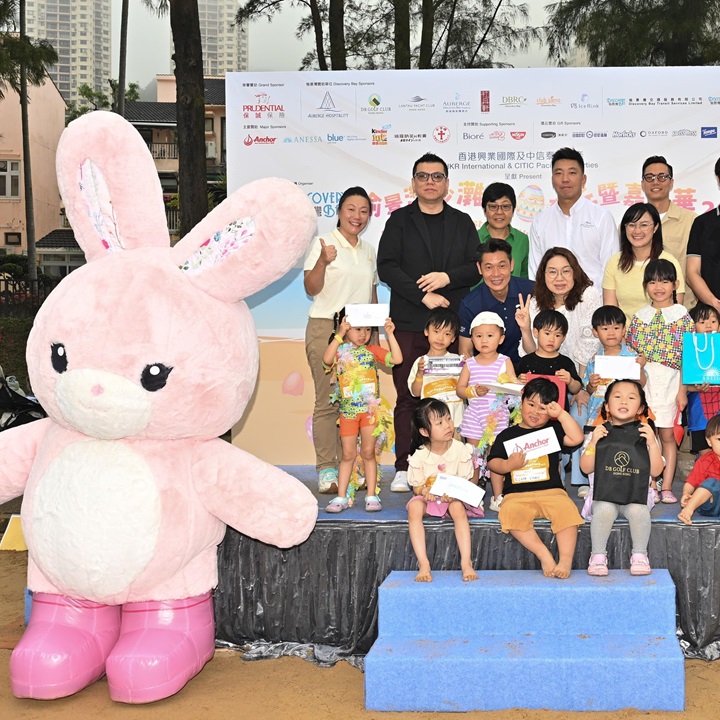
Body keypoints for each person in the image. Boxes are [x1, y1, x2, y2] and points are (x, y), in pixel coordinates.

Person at [377, 153, 481, 492]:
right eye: (423, 176)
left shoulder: (462, 221)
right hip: (410, 321)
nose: (430, 182)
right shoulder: (399, 220)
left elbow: (475, 267)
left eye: (437, 176)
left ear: (447, 183)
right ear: (414, 183)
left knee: (451, 396)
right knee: (409, 396)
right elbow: (386, 267)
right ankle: (404, 465)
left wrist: (446, 278)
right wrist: (423, 295)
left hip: (451, 326)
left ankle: (454, 465)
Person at [303, 187, 377, 493]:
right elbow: (310, 287)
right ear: (339, 212)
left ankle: (353, 466)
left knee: (357, 403)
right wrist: (322, 261)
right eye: (351, 209)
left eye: (364, 211)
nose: (357, 216)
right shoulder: (324, 244)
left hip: (360, 337)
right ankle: (327, 469)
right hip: (327, 329)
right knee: (328, 402)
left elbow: (372, 293)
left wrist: (374, 335)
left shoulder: (369, 249)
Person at [487, 378, 585, 579]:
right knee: (509, 513)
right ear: (521, 402)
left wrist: (562, 415)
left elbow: (577, 438)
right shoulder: (507, 435)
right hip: (517, 495)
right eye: (531, 404)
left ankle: (565, 561)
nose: (535, 412)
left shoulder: (553, 430)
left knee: (567, 511)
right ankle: (544, 555)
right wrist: (508, 465)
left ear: (551, 411)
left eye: (543, 408)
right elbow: (493, 462)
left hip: (552, 492)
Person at [626, 259, 694, 504]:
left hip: (670, 382)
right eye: (653, 282)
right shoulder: (639, 317)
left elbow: (687, 358)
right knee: (646, 434)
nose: (659, 287)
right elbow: (630, 354)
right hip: (645, 382)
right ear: (645, 285)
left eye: (665, 281)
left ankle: (666, 485)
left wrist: (682, 391)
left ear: (675, 284)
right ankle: (650, 483)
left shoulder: (683, 316)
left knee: (667, 435)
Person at [580, 380, 664, 577]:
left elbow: (656, 471)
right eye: (617, 396)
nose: (624, 401)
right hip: (603, 494)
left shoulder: (645, 434)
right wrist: (593, 443)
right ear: (607, 406)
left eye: (631, 397)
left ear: (641, 408)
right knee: (604, 509)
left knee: (638, 510)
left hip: (635, 495)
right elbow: (585, 467)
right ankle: (598, 556)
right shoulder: (598, 433)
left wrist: (652, 443)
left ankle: (640, 555)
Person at [322, 314, 403, 513]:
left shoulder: (372, 351)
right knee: (347, 454)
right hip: (348, 414)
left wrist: (390, 334)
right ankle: (341, 497)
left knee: (368, 453)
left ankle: (372, 495)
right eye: (358, 329)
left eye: (367, 329)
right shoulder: (340, 352)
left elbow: (397, 359)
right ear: (347, 328)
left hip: (369, 414)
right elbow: (326, 359)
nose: (363, 334)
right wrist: (339, 334)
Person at [406, 398, 481, 582]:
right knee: (414, 508)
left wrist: (454, 495)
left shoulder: (460, 450)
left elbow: (466, 482)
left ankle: (466, 563)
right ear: (424, 431)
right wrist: (424, 491)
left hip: (453, 498)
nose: (447, 425)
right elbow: (416, 486)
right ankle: (424, 563)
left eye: (448, 419)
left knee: (457, 508)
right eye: (439, 423)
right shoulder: (420, 455)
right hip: (430, 498)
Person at [576, 305, 647, 495]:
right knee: (595, 445)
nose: (611, 333)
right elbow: (588, 389)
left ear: (624, 330)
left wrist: (640, 368)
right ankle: (592, 483)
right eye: (605, 328)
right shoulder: (594, 359)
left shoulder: (632, 356)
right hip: (598, 413)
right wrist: (591, 384)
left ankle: (626, 482)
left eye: (616, 327)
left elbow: (642, 383)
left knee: (623, 446)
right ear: (595, 332)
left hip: (625, 414)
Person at [528, 147, 617, 289]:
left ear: (583, 179)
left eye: (572, 173)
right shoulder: (540, 222)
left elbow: (611, 270)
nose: (565, 179)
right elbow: (535, 273)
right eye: (559, 173)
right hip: (551, 301)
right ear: (552, 179)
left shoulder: (601, 217)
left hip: (594, 299)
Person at [456, 311, 517, 511]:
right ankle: (472, 496)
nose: (484, 340)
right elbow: (460, 389)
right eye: (478, 336)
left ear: (501, 339)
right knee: (474, 456)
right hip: (474, 415)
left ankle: (498, 497)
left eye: (490, 335)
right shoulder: (470, 363)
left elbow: (514, 387)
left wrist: (517, 383)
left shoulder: (504, 361)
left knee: (495, 456)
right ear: (472, 338)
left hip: (497, 417)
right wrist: (473, 391)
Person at [603, 202, 686, 320]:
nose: (637, 231)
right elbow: (611, 312)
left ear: (655, 227)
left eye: (644, 225)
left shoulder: (669, 262)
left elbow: (675, 311)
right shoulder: (614, 262)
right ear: (624, 228)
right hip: (623, 331)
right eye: (632, 225)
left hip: (662, 330)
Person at [458, 239, 534, 366]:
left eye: (502, 266)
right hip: (488, 372)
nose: (496, 274)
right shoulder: (470, 304)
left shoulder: (531, 291)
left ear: (512, 265)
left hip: (527, 370)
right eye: (489, 267)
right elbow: (466, 351)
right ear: (479, 268)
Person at [641, 155, 697, 306]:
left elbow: (699, 269)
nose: (655, 182)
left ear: (671, 183)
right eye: (649, 177)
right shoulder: (631, 225)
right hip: (640, 312)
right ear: (642, 184)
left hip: (684, 309)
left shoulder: (691, 221)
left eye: (662, 177)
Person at [408, 308, 464, 429]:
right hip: (432, 422)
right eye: (436, 331)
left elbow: (466, 388)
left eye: (447, 334)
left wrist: (466, 369)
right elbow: (415, 393)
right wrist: (419, 374)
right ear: (426, 331)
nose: (440, 338)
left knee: (456, 441)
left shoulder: (457, 361)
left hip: (456, 420)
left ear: (453, 338)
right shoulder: (420, 362)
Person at [516, 310, 583, 410]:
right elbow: (515, 384)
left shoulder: (565, 362)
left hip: (557, 414)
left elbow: (576, 389)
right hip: (530, 413)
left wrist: (570, 381)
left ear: (563, 338)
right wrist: (519, 380)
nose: (552, 339)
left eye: (557, 335)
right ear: (536, 332)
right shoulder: (526, 361)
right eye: (547, 333)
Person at [686, 303, 720, 458]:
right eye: (702, 322)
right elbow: (683, 386)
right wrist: (696, 388)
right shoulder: (689, 349)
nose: (708, 325)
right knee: (705, 456)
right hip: (699, 415)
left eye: (713, 321)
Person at [687, 157, 720, 315]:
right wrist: (715, 304)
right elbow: (692, 273)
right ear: (718, 180)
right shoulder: (702, 223)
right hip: (710, 317)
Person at [479, 182, 529, 278]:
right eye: (493, 207)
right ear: (485, 210)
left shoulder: (522, 239)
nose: (499, 212)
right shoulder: (473, 238)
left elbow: (524, 277)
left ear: (513, 209)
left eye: (505, 207)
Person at [678, 415, 720, 525]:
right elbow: (691, 482)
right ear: (709, 441)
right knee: (712, 483)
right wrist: (686, 493)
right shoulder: (705, 461)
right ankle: (688, 509)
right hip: (712, 505)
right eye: (719, 439)